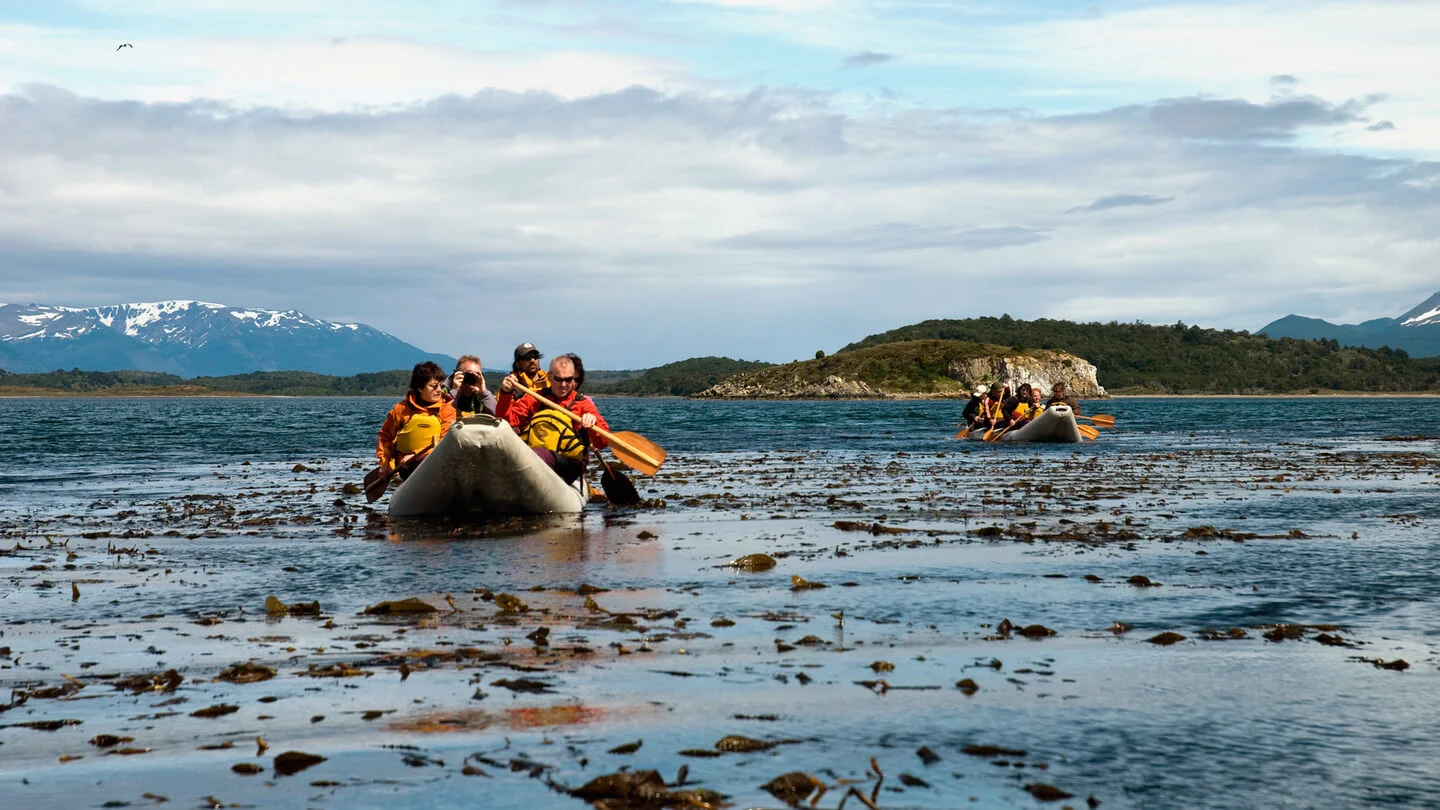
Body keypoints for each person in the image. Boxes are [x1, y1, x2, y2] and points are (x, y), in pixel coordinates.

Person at [497, 353, 608, 485]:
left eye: (568, 379)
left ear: (574, 379)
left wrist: (592, 424)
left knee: (539, 455)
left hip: (569, 463)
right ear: (549, 376)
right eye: (559, 379)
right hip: (534, 455)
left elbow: (603, 443)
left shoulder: (583, 404)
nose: (564, 385)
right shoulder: (535, 398)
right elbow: (505, 421)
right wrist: (506, 393)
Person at [376, 361, 457, 478]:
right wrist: (384, 464)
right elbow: (385, 436)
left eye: (440, 385)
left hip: (437, 462)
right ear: (419, 388)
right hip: (407, 466)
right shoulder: (402, 409)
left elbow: (445, 441)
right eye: (434, 386)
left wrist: (415, 454)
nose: (439, 390)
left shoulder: (447, 410)